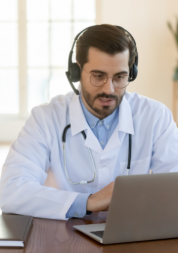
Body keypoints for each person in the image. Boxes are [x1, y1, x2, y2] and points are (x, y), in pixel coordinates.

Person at [0, 24, 178, 220]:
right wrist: (87, 202)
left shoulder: (155, 117)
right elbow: (12, 189)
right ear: (76, 72)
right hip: (66, 238)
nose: (109, 89)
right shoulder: (45, 118)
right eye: (98, 76)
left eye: (119, 77)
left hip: (133, 235)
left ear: (131, 73)